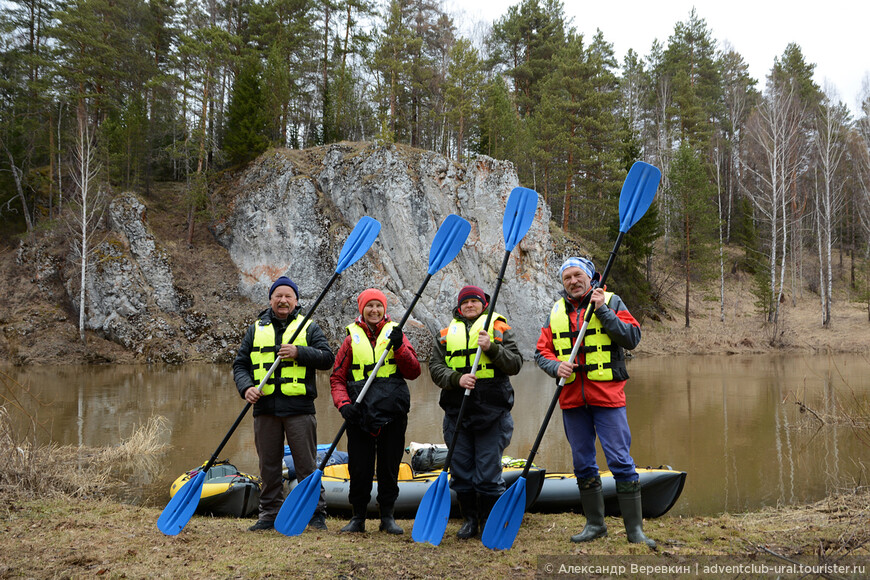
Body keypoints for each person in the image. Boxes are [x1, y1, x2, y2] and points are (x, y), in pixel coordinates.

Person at [534, 257, 655, 548]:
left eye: (577, 275)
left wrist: (602, 311)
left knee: (620, 460)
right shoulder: (557, 311)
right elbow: (541, 353)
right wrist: (556, 367)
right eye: (567, 278)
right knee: (582, 462)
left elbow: (632, 337)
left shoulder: (611, 301)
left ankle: (634, 531)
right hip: (572, 399)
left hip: (607, 398)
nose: (573, 281)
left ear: (590, 277)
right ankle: (595, 524)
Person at [233, 276, 335, 532]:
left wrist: (299, 353)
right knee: (268, 465)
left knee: (306, 464)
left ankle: (316, 513)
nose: (283, 300)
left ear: (296, 301)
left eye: (288, 296)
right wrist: (246, 388)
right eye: (278, 295)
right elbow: (240, 365)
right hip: (265, 408)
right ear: (270, 300)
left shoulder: (309, 328)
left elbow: (326, 358)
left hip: (299, 409)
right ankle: (269, 514)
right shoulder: (255, 329)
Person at [429, 285, 522, 540]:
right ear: (459, 307)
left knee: (488, 472)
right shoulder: (445, 335)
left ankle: (489, 521)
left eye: (475, 301)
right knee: (461, 470)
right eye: (465, 302)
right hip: (457, 412)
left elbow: (515, 364)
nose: (470, 305)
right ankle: (470, 521)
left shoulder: (498, 328)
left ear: (483, 304)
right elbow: (435, 368)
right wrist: (456, 378)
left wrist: (491, 347)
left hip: (492, 411)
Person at [329, 288, 421, 534]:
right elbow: (337, 378)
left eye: (378, 306)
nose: (374, 310)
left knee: (389, 467)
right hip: (360, 413)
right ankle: (358, 517)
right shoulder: (351, 339)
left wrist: (400, 347)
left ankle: (387, 517)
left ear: (384, 309)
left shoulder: (396, 335)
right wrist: (344, 405)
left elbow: (414, 371)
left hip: (392, 413)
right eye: (369, 306)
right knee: (359, 467)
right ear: (362, 309)